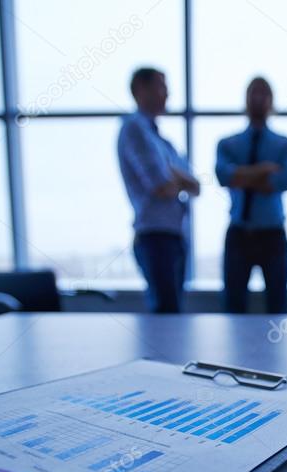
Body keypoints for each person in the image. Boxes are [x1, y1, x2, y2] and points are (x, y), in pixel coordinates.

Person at [117, 67, 200, 313]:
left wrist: (172, 174)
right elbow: (161, 186)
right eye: (161, 86)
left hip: (174, 237)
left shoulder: (161, 140)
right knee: (166, 317)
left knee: (172, 315)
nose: (168, 93)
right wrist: (174, 177)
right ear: (140, 90)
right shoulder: (134, 129)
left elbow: (195, 185)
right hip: (155, 238)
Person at [215, 77, 287, 314]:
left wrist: (241, 175)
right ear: (245, 98)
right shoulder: (227, 143)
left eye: (264, 93)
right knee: (233, 307)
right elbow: (224, 177)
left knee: (278, 307)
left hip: (273, 235)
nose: (258, 98)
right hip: (239, 234)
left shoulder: (286, 144)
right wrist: (265, 170)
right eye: (253, 92)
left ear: (272, 100)